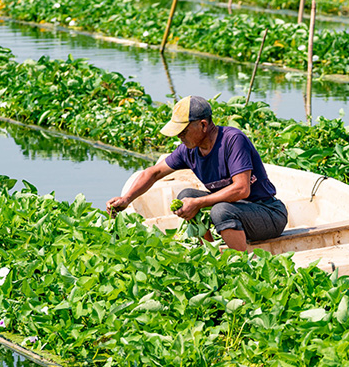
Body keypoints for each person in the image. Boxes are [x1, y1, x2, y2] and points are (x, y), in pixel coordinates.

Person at [106, 95, 287, 252]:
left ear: (203, 125)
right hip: (236, 210)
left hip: (268, 213)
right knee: (186, 196)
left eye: (183, 132)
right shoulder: (189, 150)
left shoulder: (232, 140)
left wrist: (198, 203)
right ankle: (210, 251)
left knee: (220, 211)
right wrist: (126, 199)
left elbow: (241, 189)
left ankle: (240, 263)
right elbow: (154, 173)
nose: (179, 137)